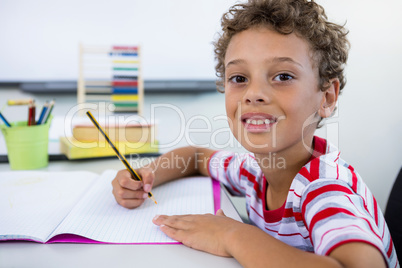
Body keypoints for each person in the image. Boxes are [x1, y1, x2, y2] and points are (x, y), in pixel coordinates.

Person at [111, 0, 398, 267]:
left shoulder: (324, 189)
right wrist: (145, 174)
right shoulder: (255, 171)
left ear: (327, 98)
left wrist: (232, 236)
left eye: (283, 76)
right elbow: (197, 157)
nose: (254, 94)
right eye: (239, 78)